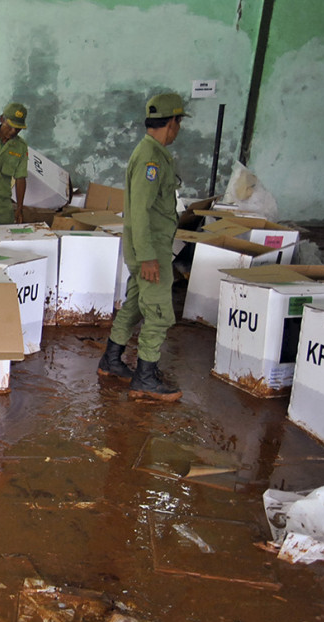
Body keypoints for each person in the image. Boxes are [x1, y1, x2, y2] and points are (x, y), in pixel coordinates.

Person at [97, 92, 188, 401]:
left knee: (136, 302)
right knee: (160, 312)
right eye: (179, 123)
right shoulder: (151, 157)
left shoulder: (153, 152)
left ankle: (111, 360)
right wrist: (149, 257)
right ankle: (145, 379)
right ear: (173, 122)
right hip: (151, 249)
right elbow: (140, 210)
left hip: (146, 247)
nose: (179, 129)